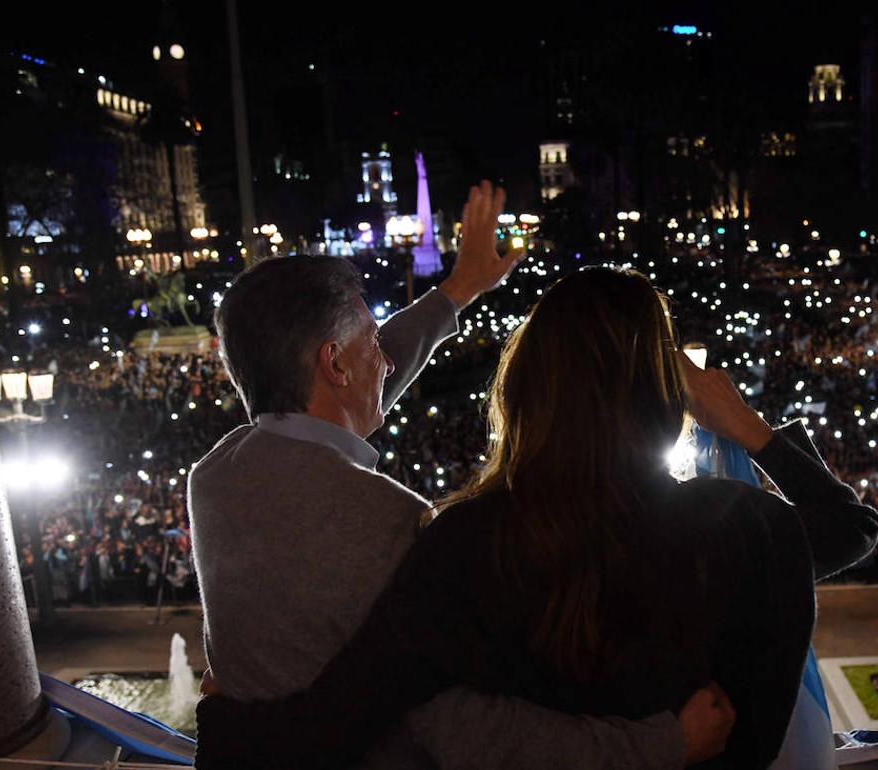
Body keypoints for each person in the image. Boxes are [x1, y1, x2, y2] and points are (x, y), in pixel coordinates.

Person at [193, 266, 878, 769]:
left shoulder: (465, 542)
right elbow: (848, 526)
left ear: (526, 386)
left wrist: (225, 723)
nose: (383, 358)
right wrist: (748, 427)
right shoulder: (739, 528)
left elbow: (346, 711)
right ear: (664, 392)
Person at [188, 185, 734, 770]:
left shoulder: (217, 475)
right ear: (335, 362)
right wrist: (665, 745)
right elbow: (469, 732)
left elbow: (337, 400)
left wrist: (458, 289)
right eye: (372, 341)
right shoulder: (384, 521)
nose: (388, 358)